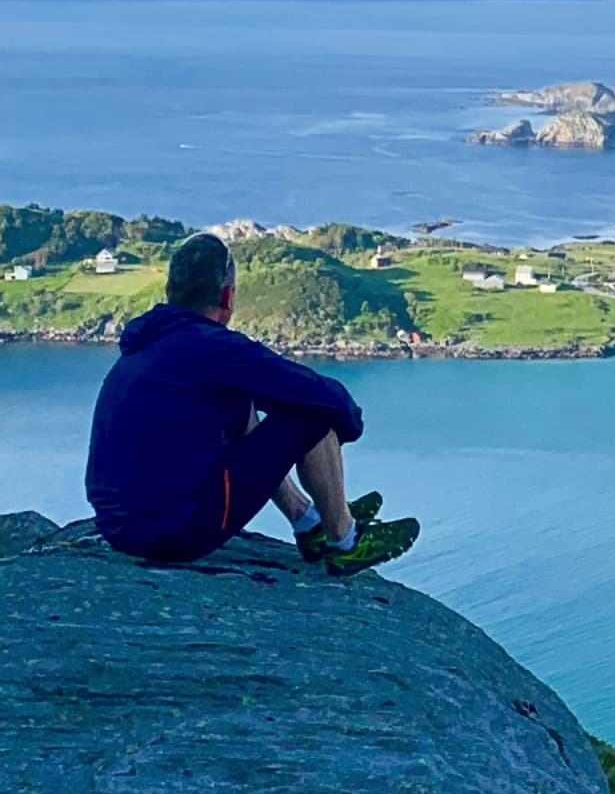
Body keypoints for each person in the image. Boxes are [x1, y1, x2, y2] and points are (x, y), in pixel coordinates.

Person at [86, 231, 419, 572]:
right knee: (314, 417)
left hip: (119, 528)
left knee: (238, 399)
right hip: (175, 533)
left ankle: (309, 522)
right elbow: (323, 397)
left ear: (169, 292)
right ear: (228, 297)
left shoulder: (145, 343)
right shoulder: (215, 348)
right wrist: (347, 426)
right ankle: (345, 541)